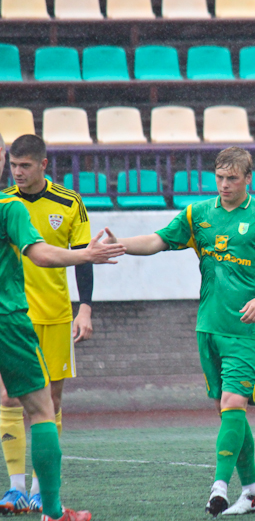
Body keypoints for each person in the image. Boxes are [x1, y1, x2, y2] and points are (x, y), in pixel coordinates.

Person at [103, 147, 255, 516]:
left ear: (248, 179)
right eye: (220, 178)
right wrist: (121, 245)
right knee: (229, 412)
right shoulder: (198, 214)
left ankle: (219, 488)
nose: (224, 185)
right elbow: (158, 240)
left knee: (233, 404)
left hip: (246, 331)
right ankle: (254, 493)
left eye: (232, 179)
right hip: (208, 328)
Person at [0, 132, 126, 521]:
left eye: (24, 165)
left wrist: (84, 308)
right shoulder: (8, 205)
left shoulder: (69, 202)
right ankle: (18, 489)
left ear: (43, 164)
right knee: (10, 399)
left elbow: (82, 256)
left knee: (50, 401)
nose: (17, 172)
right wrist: (84, 255)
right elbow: (44, 254)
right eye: (12, 165)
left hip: (53, 314)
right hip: (14, 316)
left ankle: (40, 493)